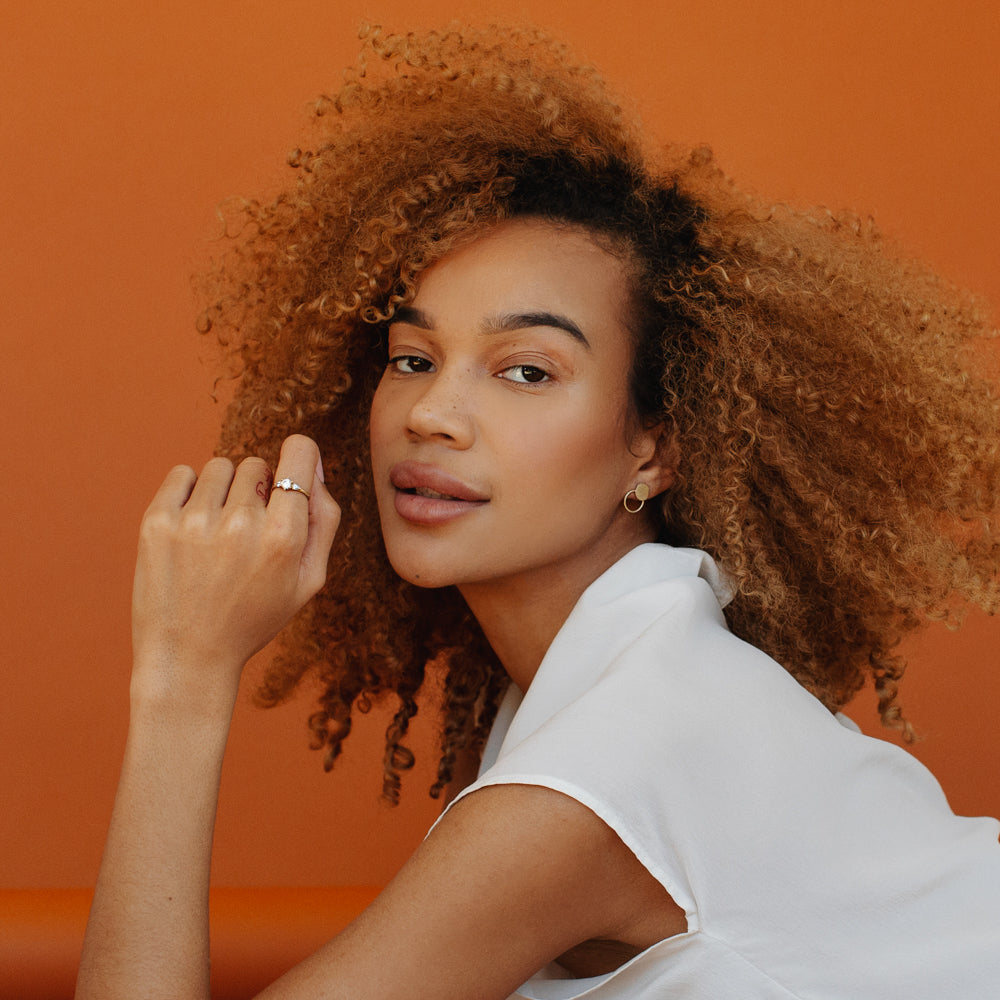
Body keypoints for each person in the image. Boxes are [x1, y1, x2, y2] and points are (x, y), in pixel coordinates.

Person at [76, 24, 1000, 1000]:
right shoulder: (603, 686)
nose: (432, 414)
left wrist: (183, 672)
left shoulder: (605, 769)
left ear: (655, 449)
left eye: (526, 370)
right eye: (412, 358)